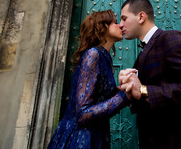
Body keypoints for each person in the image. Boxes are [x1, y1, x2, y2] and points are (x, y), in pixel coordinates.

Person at [118, 0, 181, 149]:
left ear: (141, 16)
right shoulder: (141, 56)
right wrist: (131, 93)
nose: (120, 25)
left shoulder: (170, 38)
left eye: (124, 18)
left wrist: (144, 90)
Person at [47, 10, 131, 149]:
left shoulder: (104, 57)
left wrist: (122, 89)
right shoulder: (93, 54)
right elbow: (82, 113)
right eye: (115, 23)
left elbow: (98, 100)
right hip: (81, 139)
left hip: (97, 136)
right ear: (103, 27)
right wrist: (124, 96)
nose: (120, 26)